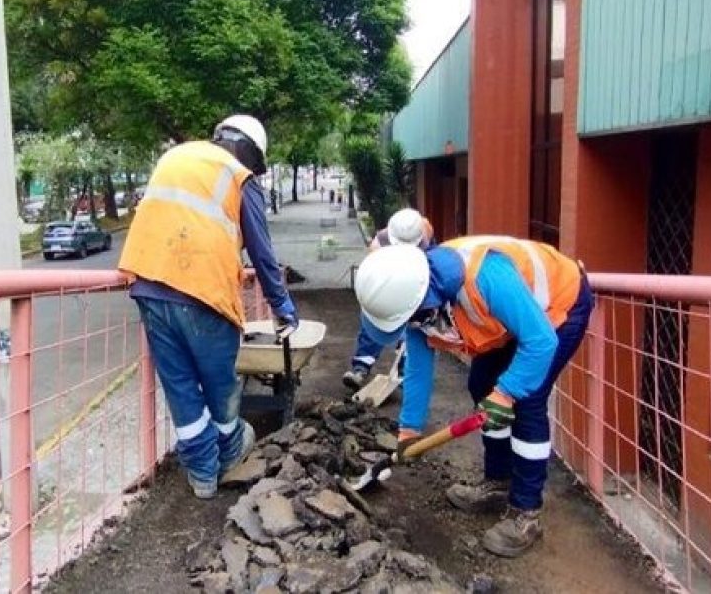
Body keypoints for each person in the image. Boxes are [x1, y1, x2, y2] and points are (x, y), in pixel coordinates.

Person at [353, 236, 593, 557]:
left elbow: (540, 341)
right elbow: (418, 369)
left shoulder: (486, 276)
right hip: (509, 321)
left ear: (425, 298)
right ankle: (498, 481)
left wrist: (507, 394)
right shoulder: (416, 302)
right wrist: (409, 430)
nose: (413, 326)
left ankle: (526, 512)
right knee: (481, 384)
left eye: (413, 319)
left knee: (527, 400)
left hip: (558, 307)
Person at [119, 114, 298, 500]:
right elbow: (262, 253)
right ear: (248, 149)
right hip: (202, 291)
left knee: (180, 385)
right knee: (220, 383)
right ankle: (232, 448)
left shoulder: (174, 157)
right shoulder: (237, 175)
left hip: (148, 283)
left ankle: (202, 476)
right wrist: (283, 306)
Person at [341, 208, 434, 390]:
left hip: (413, 282)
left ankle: (404, 370)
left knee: (412, 326)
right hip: (385, 281)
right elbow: (373, 269)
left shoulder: (425, 235)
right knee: (374, 318)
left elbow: (427, 266)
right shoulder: (381, 242)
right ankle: (361, 367)